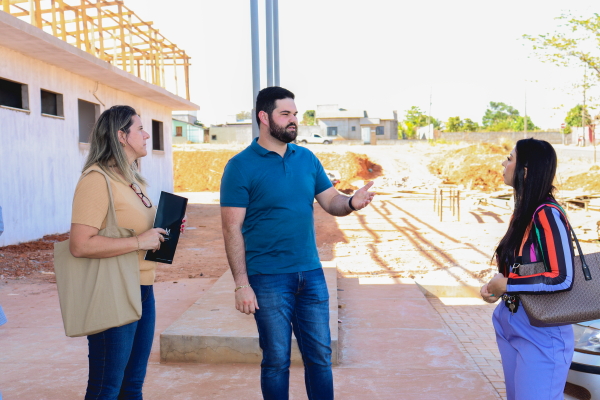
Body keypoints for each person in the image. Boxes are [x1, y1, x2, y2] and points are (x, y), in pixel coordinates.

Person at [220, 87, 375, 400]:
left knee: (320, 357)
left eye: (295, 114)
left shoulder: (306, 158)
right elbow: (231, 228)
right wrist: (241, 284)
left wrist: (352, 203)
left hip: (311, 274)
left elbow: (331, 201)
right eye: (286, 114)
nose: (294, 121)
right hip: (267, 278)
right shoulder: (239, 167)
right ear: (264, 117)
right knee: (276, 359)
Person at [69, 105, 186, 399]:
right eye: (140, 129)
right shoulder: (96, 180)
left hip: (143, 289)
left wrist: (165, 231)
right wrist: (138, 242)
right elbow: (80, 244)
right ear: (121, 136)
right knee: (106, 388)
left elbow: (139, 233)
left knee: (131, 385)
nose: (147, 135)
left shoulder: (132, 179)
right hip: (113, 292)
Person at [481, 138, 574, 400]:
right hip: (511, 322)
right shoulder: (523, 213)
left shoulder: (547, 213)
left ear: (525, 170)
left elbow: (562, 277)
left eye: (510, 158)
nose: (503, 162)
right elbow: (520, 269)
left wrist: (508, 285)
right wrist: (496, 286)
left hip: (541, 332)